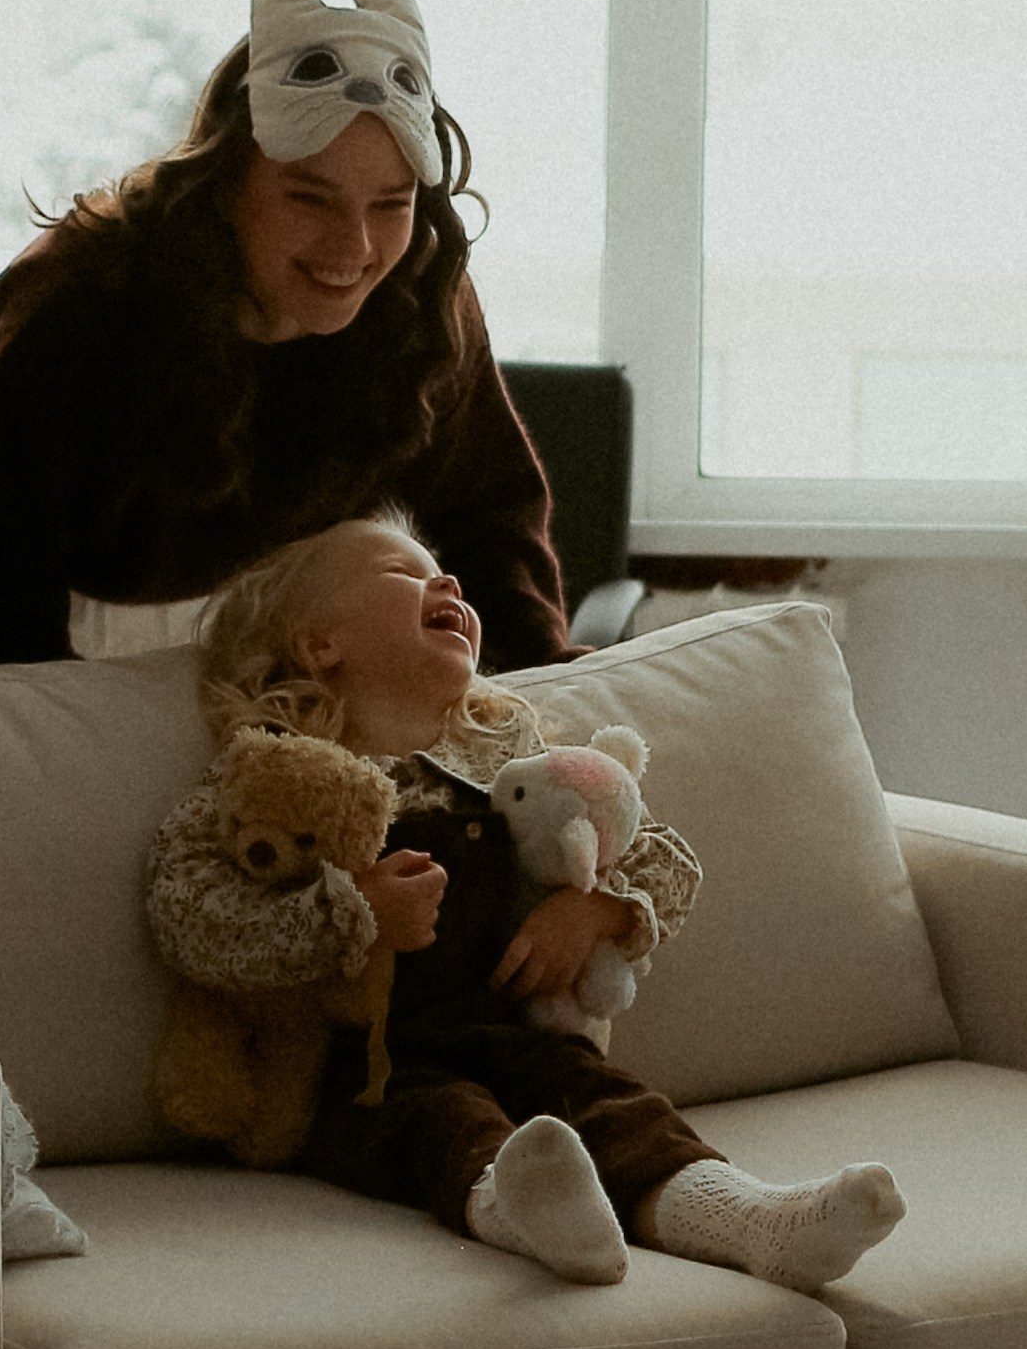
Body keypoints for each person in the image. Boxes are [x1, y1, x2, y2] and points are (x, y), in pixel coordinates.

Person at [147, 512, 907, 1289]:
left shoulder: (512, 759)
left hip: (517, 1037)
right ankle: (524, 1209)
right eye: (401, 573)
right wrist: (349, 911)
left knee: (610, 1103)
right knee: (441, 1121)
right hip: (364, 1071)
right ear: (319, 646)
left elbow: (662, 858)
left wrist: (595, 910)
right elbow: (189, 916)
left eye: (442, 573)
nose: (446, 582)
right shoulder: (275, 774)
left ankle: (748, 1220)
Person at [0, 0, 577, 670]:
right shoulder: (79, 302)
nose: (354, 247)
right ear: (224, 179)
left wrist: (533, 707)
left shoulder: (420, 291)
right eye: (309, 197)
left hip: (312, 665)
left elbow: (488, 528)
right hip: (71, 661)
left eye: (389, 204)